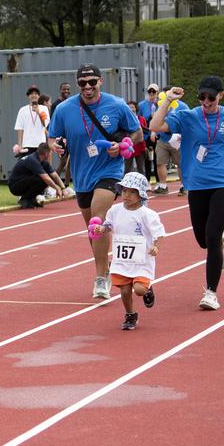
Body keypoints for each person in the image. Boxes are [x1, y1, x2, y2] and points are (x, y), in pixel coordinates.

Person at [150, 75, 224, 311]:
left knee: (212, 235)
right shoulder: (188, 117)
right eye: (202, 97)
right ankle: (223, 241)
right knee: (203, 240)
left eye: (211, 97)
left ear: (221, 96)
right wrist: (167, 101)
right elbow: (155, 126)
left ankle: (211, 292)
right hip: (196, 185)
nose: (206, 101)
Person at [47, 63, 142, 300]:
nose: (87, 87)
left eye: (92, 82)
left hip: (109, 170)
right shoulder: (64, 109)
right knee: (94, 230)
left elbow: (137, 133)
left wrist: (121, 146)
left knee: (99, 217)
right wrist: (55, 146)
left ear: (100, 81)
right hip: (82, 176)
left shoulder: (117, 105)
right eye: (82, 83)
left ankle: (100, 278)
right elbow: (51, 137)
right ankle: (106, 267)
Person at [91, 172, 165, 331]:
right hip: (122, 259)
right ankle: (130, 314)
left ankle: (147, 287)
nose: (127, 195)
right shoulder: (115, 210)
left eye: (132, 192)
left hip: (142, 259)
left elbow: (159, 233)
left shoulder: (147, 214)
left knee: (138, 290)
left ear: (141, 195)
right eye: (124, 191)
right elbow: (109, 225)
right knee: (124, 291)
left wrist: (156, 246)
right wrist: (101, 228)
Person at [150, 86, 190, 196]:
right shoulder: (158, 105)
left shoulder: (182, 106)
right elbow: (155, 119)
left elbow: (188, 122)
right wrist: (153, 131)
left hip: (177, 140)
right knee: (160, 162)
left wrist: (184, 135)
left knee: (181, 163)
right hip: (163, 138)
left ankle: (184, 186)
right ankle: (163, 186)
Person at [7, 143, 66, 208]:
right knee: (42, 179)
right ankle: (24, 199)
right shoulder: (33, 160)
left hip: (24, 181)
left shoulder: (43, 161)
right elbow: (46, 178)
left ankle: (31, 199)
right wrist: (57, 188)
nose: (50, 154)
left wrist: (63, 188)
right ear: (46, 153)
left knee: (47, 178)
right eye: (49, 152)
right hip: (14, 185)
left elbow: (54, 175)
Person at [13, 86, 50, 158]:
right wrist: (20, 146)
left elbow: (45, 124)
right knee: (27, 167)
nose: (34, 95)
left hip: (40, 144)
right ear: (28, 96)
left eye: (36, 93)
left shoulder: (44, 108)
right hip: (27, 145)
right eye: (31, 94)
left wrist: (38, 112)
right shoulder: (22, 110)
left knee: (40, 167)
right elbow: (20, 129)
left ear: (39, 96)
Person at [51, 82, 73, 188]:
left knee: (71, 161)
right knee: (63, 161)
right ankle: (52, 185)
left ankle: (66, 185)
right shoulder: (56, 104)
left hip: (72, 136)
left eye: (68, 89)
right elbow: (53, 121)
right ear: (60, 90)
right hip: (61, 137)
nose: (66, 91)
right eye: (64, 89)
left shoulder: (71, 103)